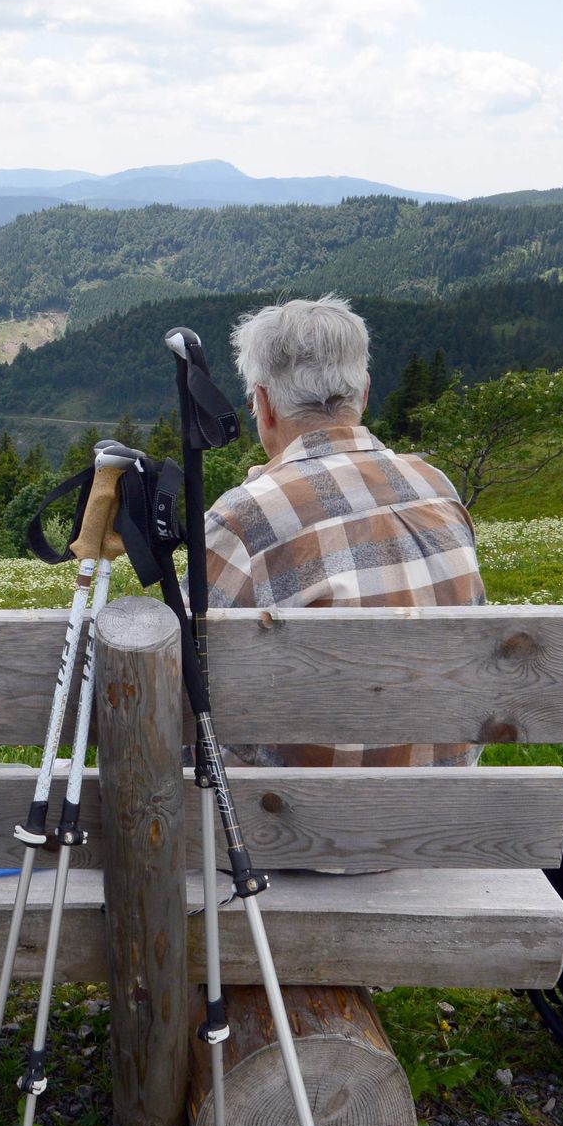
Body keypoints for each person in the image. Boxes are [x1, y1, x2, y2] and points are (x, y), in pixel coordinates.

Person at [203, 294, 485, 777]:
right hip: (448, 816)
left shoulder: (241, 519)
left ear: (263, 404)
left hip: (295, 831)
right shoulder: (437, 488)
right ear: (365, 394)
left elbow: (193, 694)